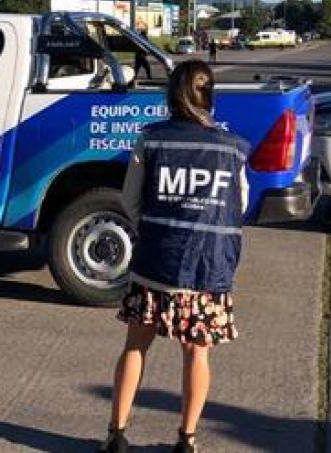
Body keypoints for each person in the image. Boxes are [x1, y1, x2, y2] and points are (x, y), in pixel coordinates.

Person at [100, 60, 249, 453]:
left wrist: (155, 230)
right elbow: (239, 206)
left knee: (135, 346)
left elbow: (130, 200)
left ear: (171, 96)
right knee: (196, 353)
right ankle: (187, 440)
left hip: (155, 265)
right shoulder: (233, 148)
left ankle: (116, 435)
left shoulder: (150, 140)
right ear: (210, 96)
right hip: (207, 271)